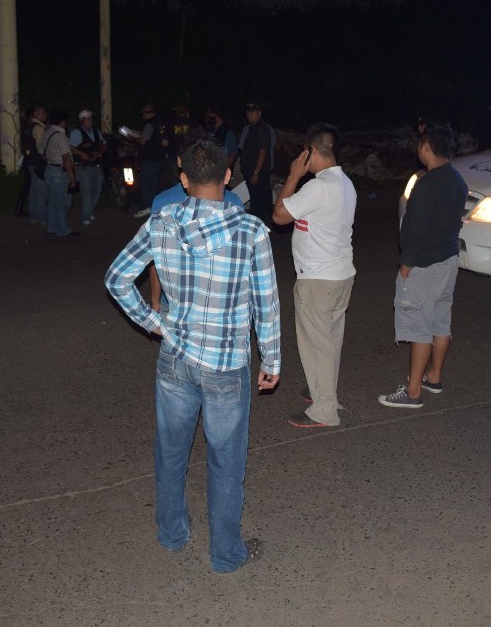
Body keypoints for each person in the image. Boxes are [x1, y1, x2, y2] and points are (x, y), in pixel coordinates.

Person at [104, 138, 281, 573]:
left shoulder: (161, 222)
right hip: (225, 365)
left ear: (183, 180)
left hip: (175, 359)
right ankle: (225, 554)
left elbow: (116, 279)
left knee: (170, 451)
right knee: (226, 462)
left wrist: (154, 322)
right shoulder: (251, 231)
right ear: (227, 177)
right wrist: (272, 361)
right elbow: (267, 304)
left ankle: (172, 533)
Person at [272, 123, 356, 428]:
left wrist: (293, 175)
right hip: (340, 275)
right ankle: (324, 393)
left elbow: (279, 215)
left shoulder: (317, 187)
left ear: (311, 151)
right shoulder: (345, 183)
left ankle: (324, 411)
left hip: (318, 280)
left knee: (318, 345)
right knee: (329, 342)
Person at [378, 124, 467, 409]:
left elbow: (415, 228)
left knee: (419, 327)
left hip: (426, 264)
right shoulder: (457, 180)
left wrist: (407, 263)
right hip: (448, 260)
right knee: (440, 321)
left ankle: (413, 392)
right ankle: (434, 378)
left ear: (426, 147)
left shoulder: (427, 183)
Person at [148, 132, 244, 312]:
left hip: (176, 299)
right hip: (220, 298)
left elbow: (155, 257)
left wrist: (155, 302)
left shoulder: (163, 202)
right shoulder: (234, 202)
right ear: (225, 171)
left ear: (180, 162)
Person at [232, 101, 275, 224]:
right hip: (251, 169)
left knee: (258, 200)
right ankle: (265, 221)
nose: (249, 115)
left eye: (252, 113)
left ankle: (259, 224)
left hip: (257, 171)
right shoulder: (251, 128)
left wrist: (256, 171)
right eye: (247, 112)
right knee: (260, 197)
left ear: (259, 113)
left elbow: (263, 151)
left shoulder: (262, 129)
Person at [39, 109, 79, 238]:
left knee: (52, 201)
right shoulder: (61, 136)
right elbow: (66, 158)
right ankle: (62, 229)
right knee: (63, 202)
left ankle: (52, 227)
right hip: (59, 172)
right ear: (62, 121)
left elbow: (41, 152)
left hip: (49, 170)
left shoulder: (48, 132)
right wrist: (72, 177)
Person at [129, 103, 167, 218]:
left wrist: (131, 138)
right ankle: (154, 207)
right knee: (154, 184)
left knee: (146, 185)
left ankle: (145, 207)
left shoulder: (150, 124)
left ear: (148, 113)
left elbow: (143, 141)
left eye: (143, 113)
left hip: (150, 159)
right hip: (159, 157)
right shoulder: (160, 123)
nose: (142, 116)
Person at [70, 109, 105, 226]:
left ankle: (88, 211)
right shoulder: (76, 132)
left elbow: (103, 144)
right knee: (86, 191)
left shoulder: (95, 131)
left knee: (97, 190)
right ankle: (86, 215)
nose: (90, 120)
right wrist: (82, 154)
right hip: (83, 167)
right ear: (82, 120)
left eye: (91, 118)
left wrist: (98, 153)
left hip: (95, 165)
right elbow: (71, 147)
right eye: (88, 118)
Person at [21, 104, 48, 225]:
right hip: (38, 163)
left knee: (34, 190)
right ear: (35, 114)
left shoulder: (28, 127)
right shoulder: (38, 128)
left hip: (29, 162)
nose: (45, 115)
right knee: (41, 190)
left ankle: (34, 216)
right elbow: (41, 147)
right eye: (43, 112)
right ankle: (42, 217)